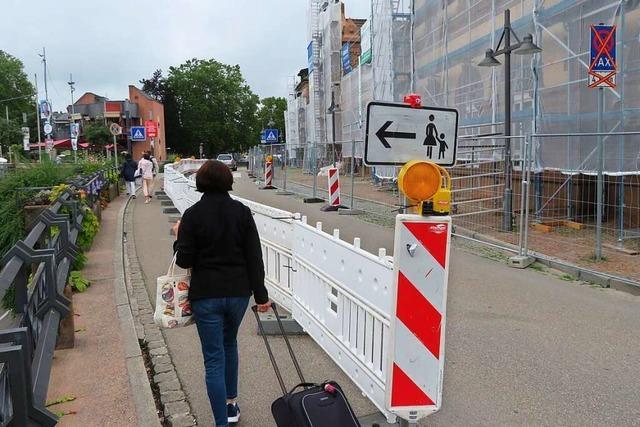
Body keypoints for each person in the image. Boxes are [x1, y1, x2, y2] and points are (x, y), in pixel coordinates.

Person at [172, 160, 271, 427]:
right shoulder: (242, 212)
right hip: (238, 293)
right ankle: (231, 405)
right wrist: (261, 296)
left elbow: (184, 260)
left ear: (200, 182)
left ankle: (221, 423)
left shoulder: (192, 215)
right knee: (230, 344)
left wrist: (177, 237)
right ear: (228, 181)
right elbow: (254, 257)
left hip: (206, 295)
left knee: (213, 358)